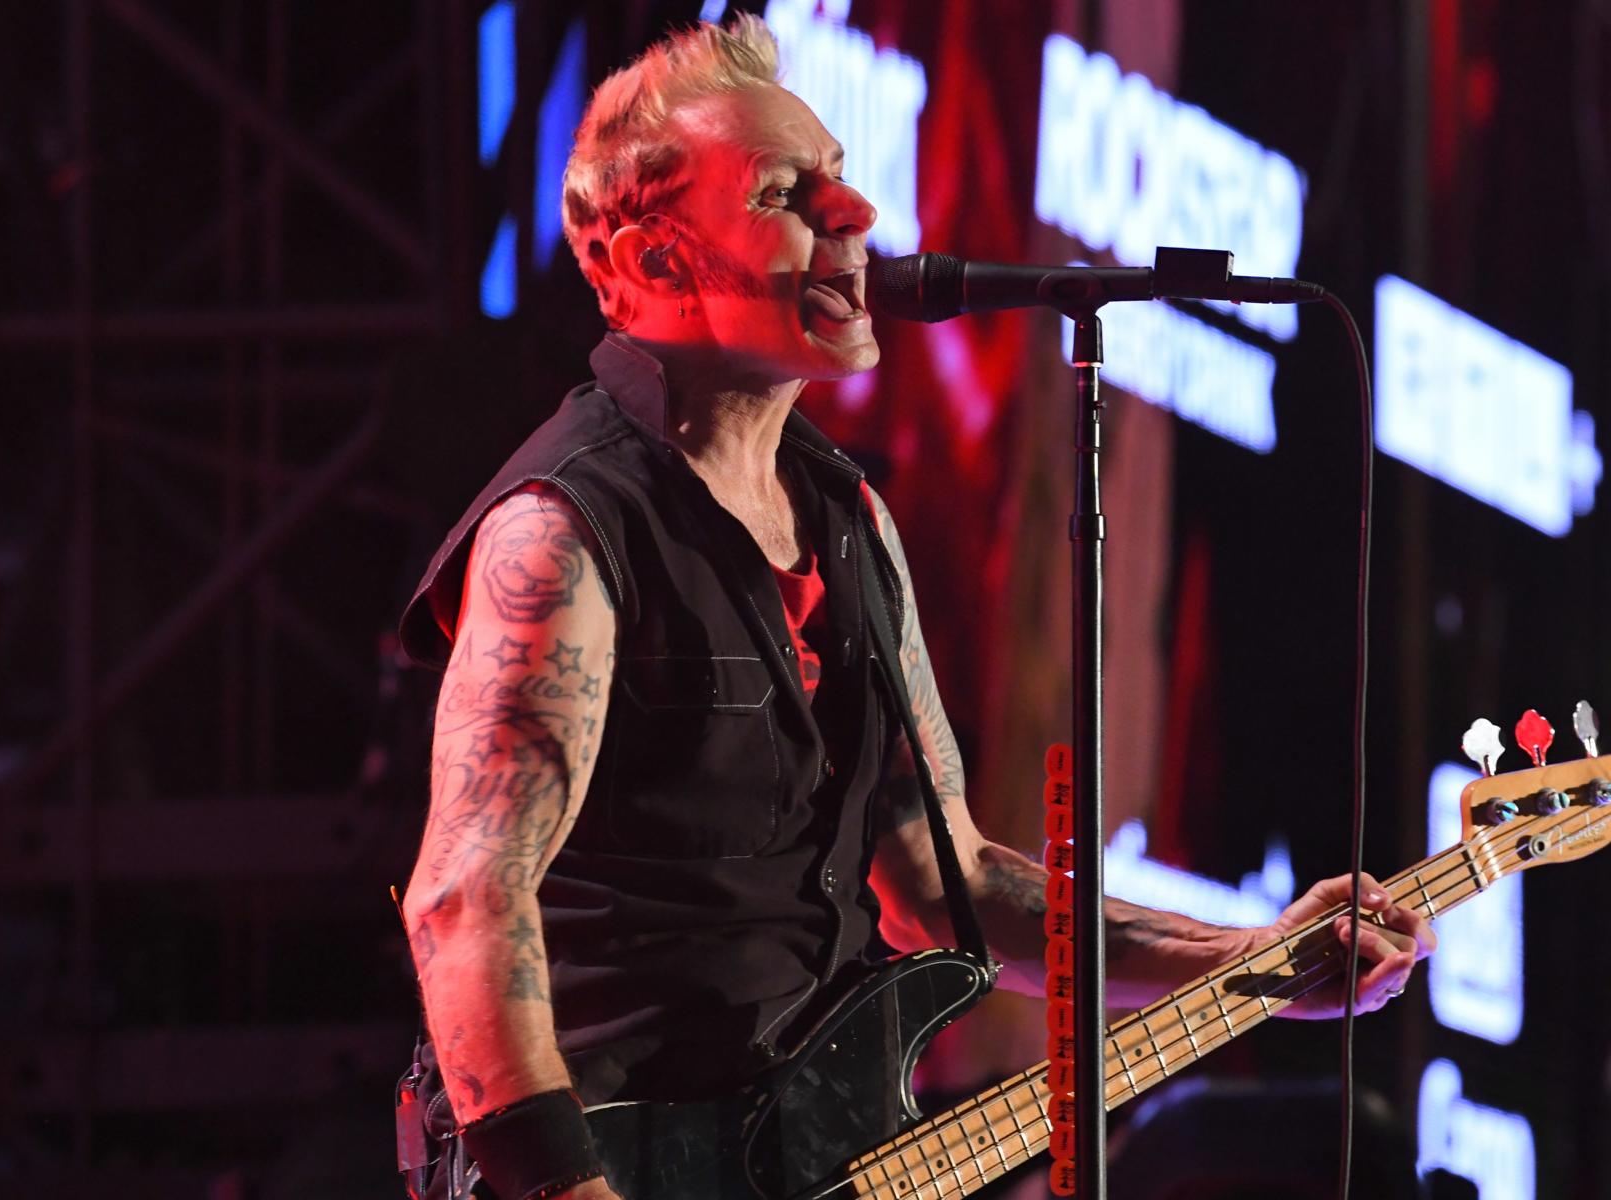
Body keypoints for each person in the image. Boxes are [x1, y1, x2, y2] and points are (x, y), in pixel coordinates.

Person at [394, 16, 1434, 1200]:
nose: (856, 213)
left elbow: (943, 886)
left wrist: (1253, 957)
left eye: (840, 176)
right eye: (785, 193)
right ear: (656, 260)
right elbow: (464, 902)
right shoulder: (564, 531)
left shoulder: (849, 523)